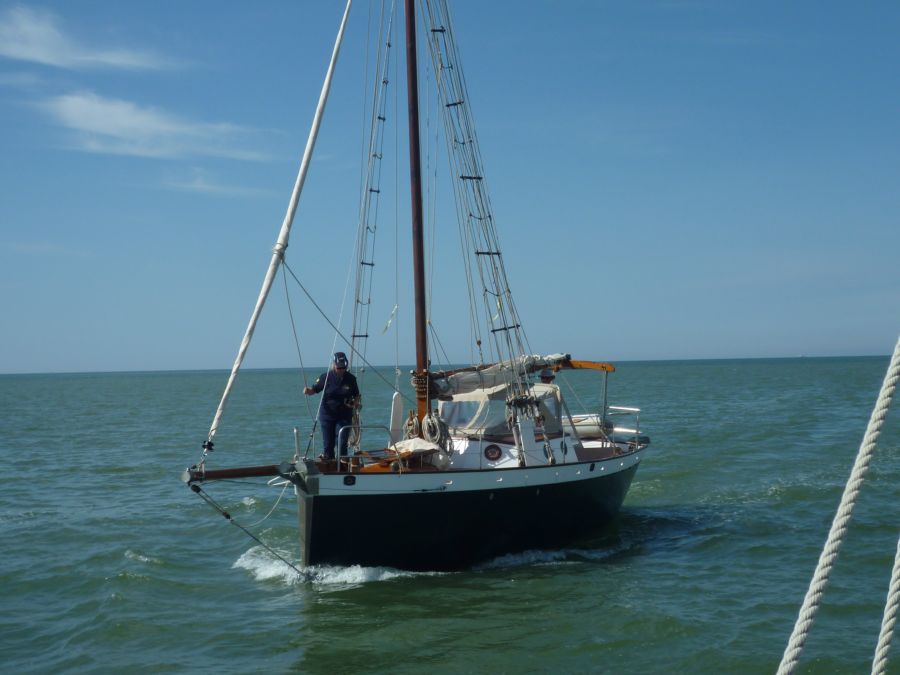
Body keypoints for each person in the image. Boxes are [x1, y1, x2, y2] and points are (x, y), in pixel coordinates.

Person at [304, 352, 360, 460]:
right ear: (334, 365)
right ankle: (329, 462)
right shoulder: (325, 377)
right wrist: (307, 391)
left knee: (342, 441)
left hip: (344, 415)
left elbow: (357, 395)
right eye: (339, 367)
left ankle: (343, 464)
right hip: (327, 415)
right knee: (328, 444)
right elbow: (314, 390)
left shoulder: (351, 379)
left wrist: (355, 403)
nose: (341, 370)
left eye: (343, 367)